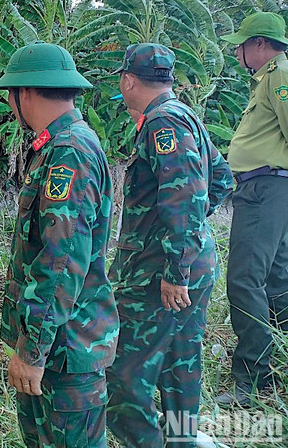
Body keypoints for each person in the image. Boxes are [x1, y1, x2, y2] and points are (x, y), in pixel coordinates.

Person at [106, 44, 233, 446]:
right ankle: (181, 441)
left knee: (123, 376)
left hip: (160, 276)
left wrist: (175, 265)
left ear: (128, 80)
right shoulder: (186, 117)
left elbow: (186, 197)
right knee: (181, 367)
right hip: (189, 267)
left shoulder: (164, 124)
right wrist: (191, 242)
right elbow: (222, 181)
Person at [0, 41, 119, 447]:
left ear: (25, 93)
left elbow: (60, 261)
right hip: (57, 349)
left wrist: (31, 351)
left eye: (12, 96)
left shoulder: (69, 153)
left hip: (67, 351)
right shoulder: (58, 148)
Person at [215, 12, 288, 406]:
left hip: (267, 189)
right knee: (276, 281)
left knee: (245, 279)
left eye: (241, 45)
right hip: (268, 189)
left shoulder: (279, 74)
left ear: (259, 44)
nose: (238, 52)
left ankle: (252, 380)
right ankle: (277, 365)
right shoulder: (269, 77)